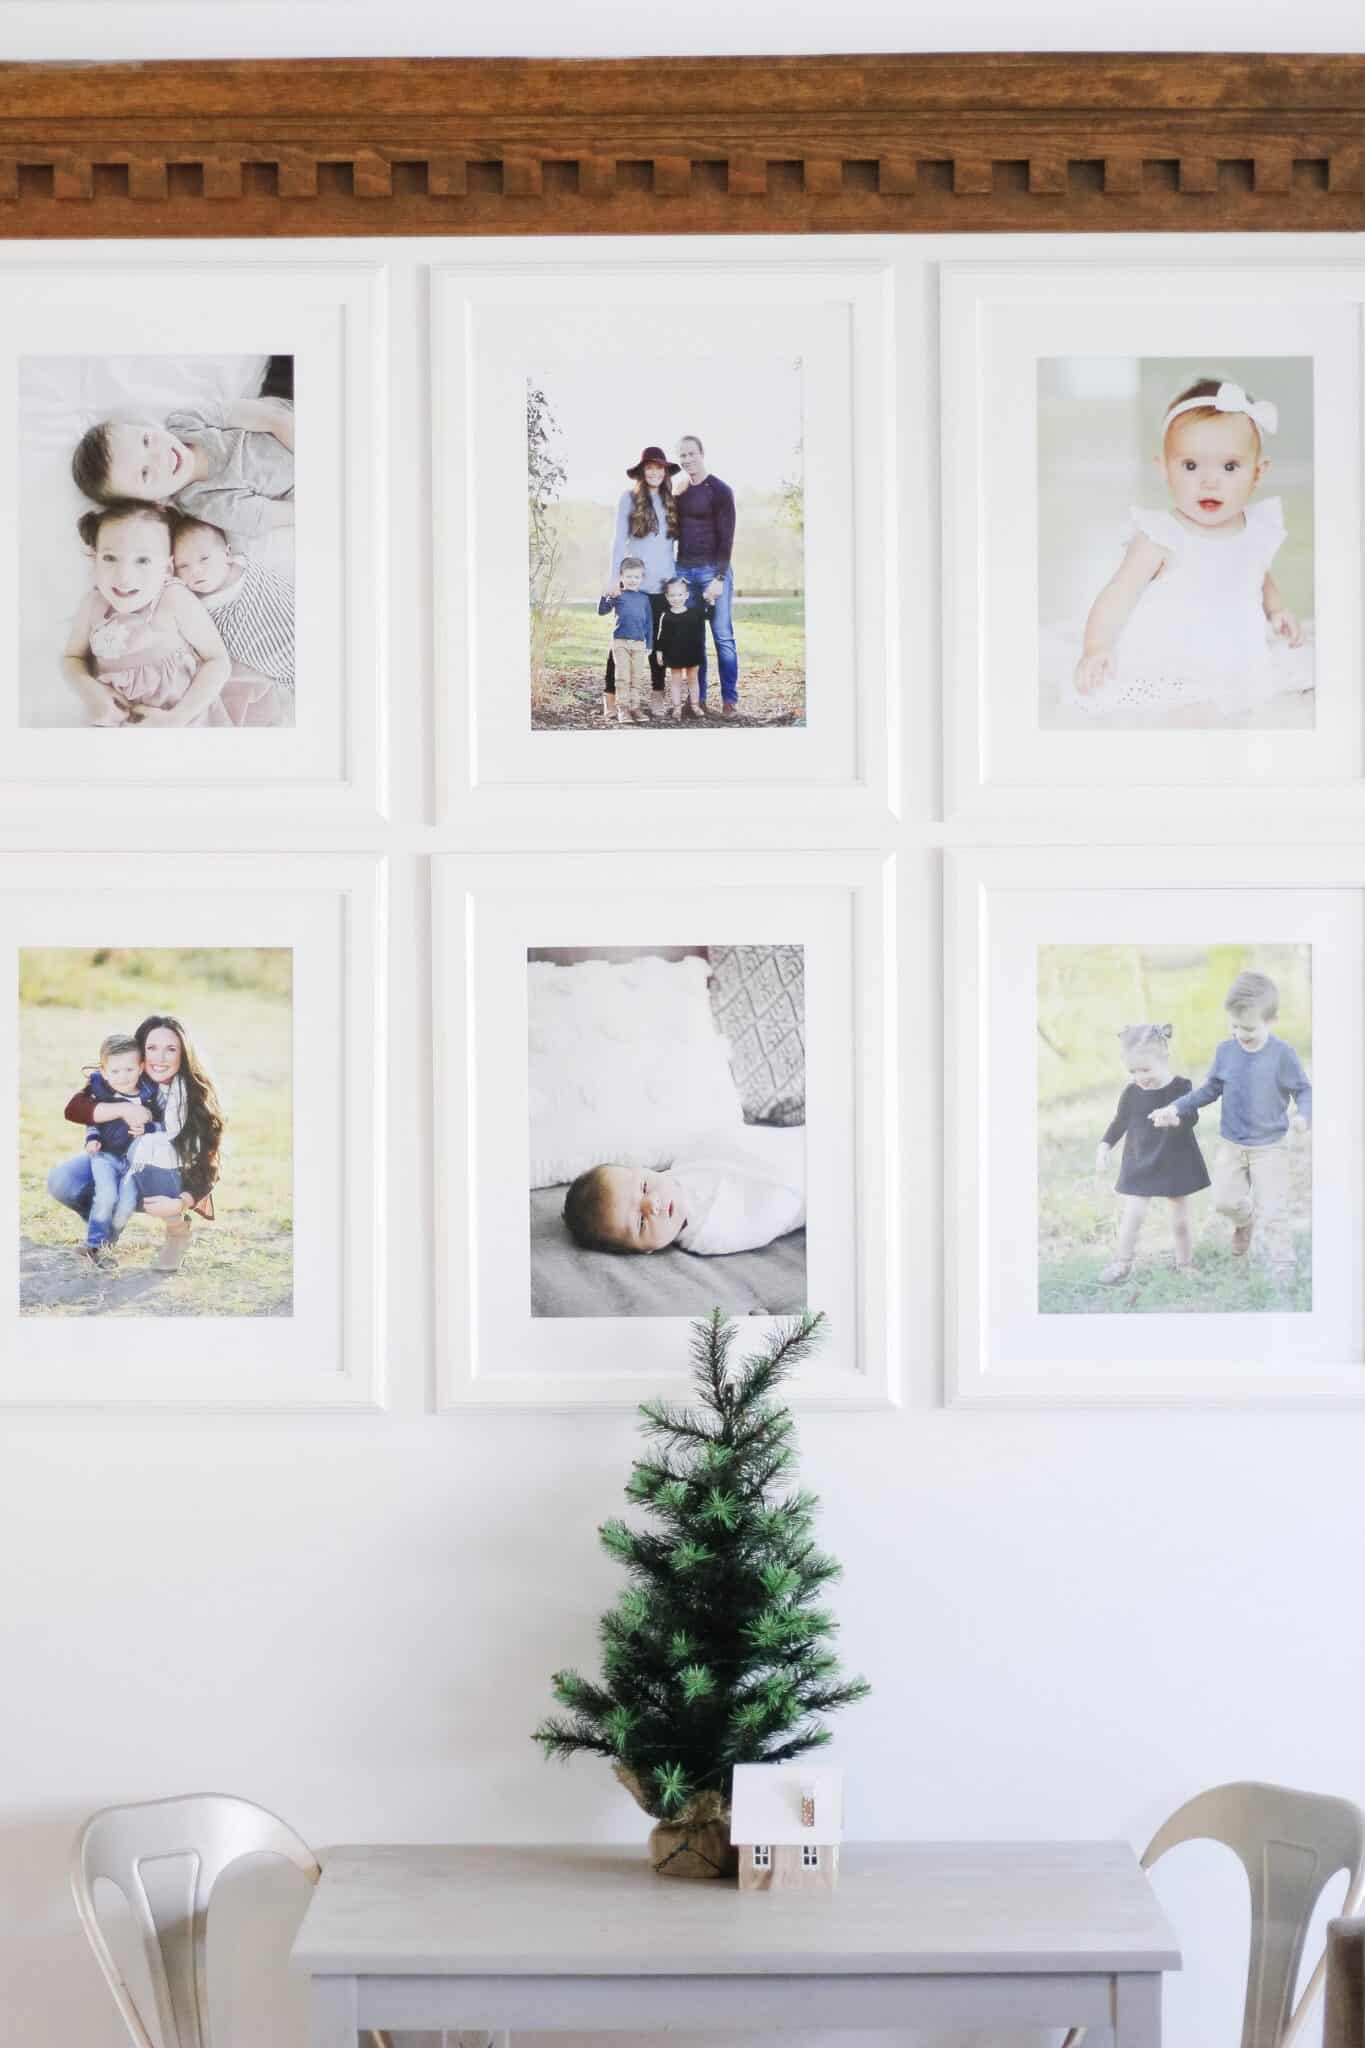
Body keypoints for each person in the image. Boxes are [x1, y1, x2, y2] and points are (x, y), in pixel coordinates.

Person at [1066, 377, 1310, 724]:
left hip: (1238, 658)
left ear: (1258, 473)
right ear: (1164, 469)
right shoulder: (1161, 536)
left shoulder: (1254, 528)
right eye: (1191, 466)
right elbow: (1117, 595)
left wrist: (1277, 609)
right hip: (1171, 658)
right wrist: (1096, 647)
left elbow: (1257, 573)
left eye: (1229, 467)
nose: (1210, 481)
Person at [1149, 969, 1311, 1281]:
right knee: (1223, 1201)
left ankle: (1283, 1266)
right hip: (1232, 1144)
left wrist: (1303, 1115)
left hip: (1270, 1147)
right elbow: (1209, 1089)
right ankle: (1245, 1221)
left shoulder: (1282, 1055)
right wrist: (1176, 1108)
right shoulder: (1226, 1051)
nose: (1240, 1033)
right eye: (1234, 1026)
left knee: (1274, 1209)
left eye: (1248, 1028)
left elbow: (1304, 1090)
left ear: (1271, 1020)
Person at [48, 1013, 226, 1274]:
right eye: (152, 1048)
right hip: (117, 1161)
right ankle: (104, 1232)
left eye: (171, 1049)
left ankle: (177, 1232)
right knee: (61, 1180)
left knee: (154, 1144)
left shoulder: (192, 1094)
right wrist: (122, 1109)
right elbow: (75, 1108)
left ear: (183, 1054)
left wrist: (181, 1203)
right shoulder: (125, 1073)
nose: (160, 1057)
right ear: (140, 1053)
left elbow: (210, 1164)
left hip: (168, 1179)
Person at [60, 501, 233, 728]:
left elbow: (218, 661)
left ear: (167, 569)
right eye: (110, 558)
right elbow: (72, 658)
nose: (124, 576)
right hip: (116, 720)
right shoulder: (93, 605)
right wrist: (91, 690)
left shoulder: (172, 599)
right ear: (94, 560)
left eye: (143, 560)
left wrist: (175, 718)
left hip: (186, 719)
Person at [70, 393, 293, 541]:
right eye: (145, 473)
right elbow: (270, 515)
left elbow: (268, 416)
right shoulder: (205, 502)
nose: (159, 457)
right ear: (154, 502)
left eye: (146, 441)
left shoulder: (186, 423)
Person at [561, 1124, 804, 1257]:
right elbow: (766, 1220)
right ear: (647, 1250)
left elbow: (732, 1138)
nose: (652, 1204)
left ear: (645, 1170)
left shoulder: (688, 1161)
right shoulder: (706, 1235)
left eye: (644, 1187)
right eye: (641, 1223)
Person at [1093, 1022, 1210, 1286]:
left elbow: (1191, 1116)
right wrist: (1104, 1146)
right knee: (1133, 1214)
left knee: (1179, 1218)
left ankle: (1185, 1263)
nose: (1139, 1077)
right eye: (1133, 1071)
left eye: (1145, 1069)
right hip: (1140, 1159)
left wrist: (1175, 1119)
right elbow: (1119, 1122)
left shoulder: (1180, 1087)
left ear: (1164, 1059)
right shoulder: (1132, 1092)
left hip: (1176, 1158)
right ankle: (1122, 1262)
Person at [172, 514, 294, 710]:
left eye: (204, 558)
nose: (195, 570)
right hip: (284, 667)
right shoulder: (193, 605)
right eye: (183, 566)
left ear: (227, 554)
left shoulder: (246, 563)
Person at [601, 445, 679, 720]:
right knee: (622, 644)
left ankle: (657, 697)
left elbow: (672, 547)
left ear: (666, 471)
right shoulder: (628, 499)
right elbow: (618, 540)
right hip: (635, 586)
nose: (655, 472)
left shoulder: (672, 501)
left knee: (657, 644)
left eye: (660, 468)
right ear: (642, 471)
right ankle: (611, 699)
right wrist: (614, 577)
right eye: (650, 468)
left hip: (663, 585)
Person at [74, 1034, 165, 1265]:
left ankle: (109, 1241)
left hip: (135, 1163)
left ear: (141, 1067)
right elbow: (91, 1118)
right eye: (115, 1072)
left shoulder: (150, 1095)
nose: (123, 1077)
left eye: (129, 1070)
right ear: (104, 1072)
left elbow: (164, 1124)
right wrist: (92, 1138)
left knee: (126, 1204)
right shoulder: (102, 1092)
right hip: (105, 1156)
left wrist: (149, 1128)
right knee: (106, 1196)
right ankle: (93, 1243)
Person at [671, 433, 739, 716]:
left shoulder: (720, 490)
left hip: (713, 571)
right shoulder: (680, 492)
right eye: (682, 456)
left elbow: (727, 538)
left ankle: (729, 701)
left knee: (722, 637)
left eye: (691, 454)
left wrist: (720, 578)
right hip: (684, 571)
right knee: (693, 640)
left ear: (702, 453)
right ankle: (696, 701)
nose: (687, 460)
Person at [596, 556, 654, 725]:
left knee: (636, 678)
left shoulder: (644, 599)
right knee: (622, 677)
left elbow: (649, 623)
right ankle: (623, 709)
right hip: (620, 642)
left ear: (642, 578)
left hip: (639, 643)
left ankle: (635, 707)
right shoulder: (618, 595)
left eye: (636, 577)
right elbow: (602, 611)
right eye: (628, 576)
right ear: (621, 576)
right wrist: (605, 594)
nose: (632, 580)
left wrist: (649, 644)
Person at [655, 572, 710, 720]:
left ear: (686, 595)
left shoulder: (695, 613)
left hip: (693, 652)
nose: (676, 599)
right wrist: (659, 651)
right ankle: (677, 707)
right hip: (674, 653)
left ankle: (695, 705)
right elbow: (662, 636)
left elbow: (708, 617)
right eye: (672, 596)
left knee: (693, 679)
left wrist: (710, 602)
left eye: (680, 595)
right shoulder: (666, 615)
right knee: (676, 680)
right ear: (667, 597)